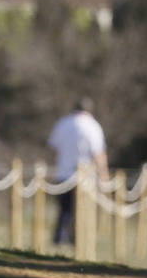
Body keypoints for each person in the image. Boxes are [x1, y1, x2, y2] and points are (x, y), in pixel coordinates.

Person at [46, 98, 108, 246]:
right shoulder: (92, 126)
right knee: (80, 211)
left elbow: (53, 146)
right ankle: (76, 240)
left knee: (64, 210)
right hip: (84, 177)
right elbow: (98, 153)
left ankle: (59, 239)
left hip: (62, 173)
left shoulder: (63, 123)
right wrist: (103, 175)